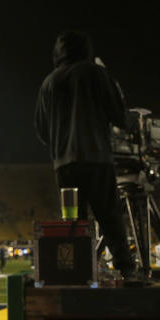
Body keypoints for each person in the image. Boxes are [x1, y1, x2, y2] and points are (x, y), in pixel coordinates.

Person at [33, 31, 137, 279]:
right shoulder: (94, 72)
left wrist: (60, 143)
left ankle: (74, 271)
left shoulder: (48, 82)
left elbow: (41, 129)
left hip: (64, 165)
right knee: (109, 215)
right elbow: (120, 116)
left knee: (72, 223)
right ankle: (127, 270)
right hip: (96, 157)